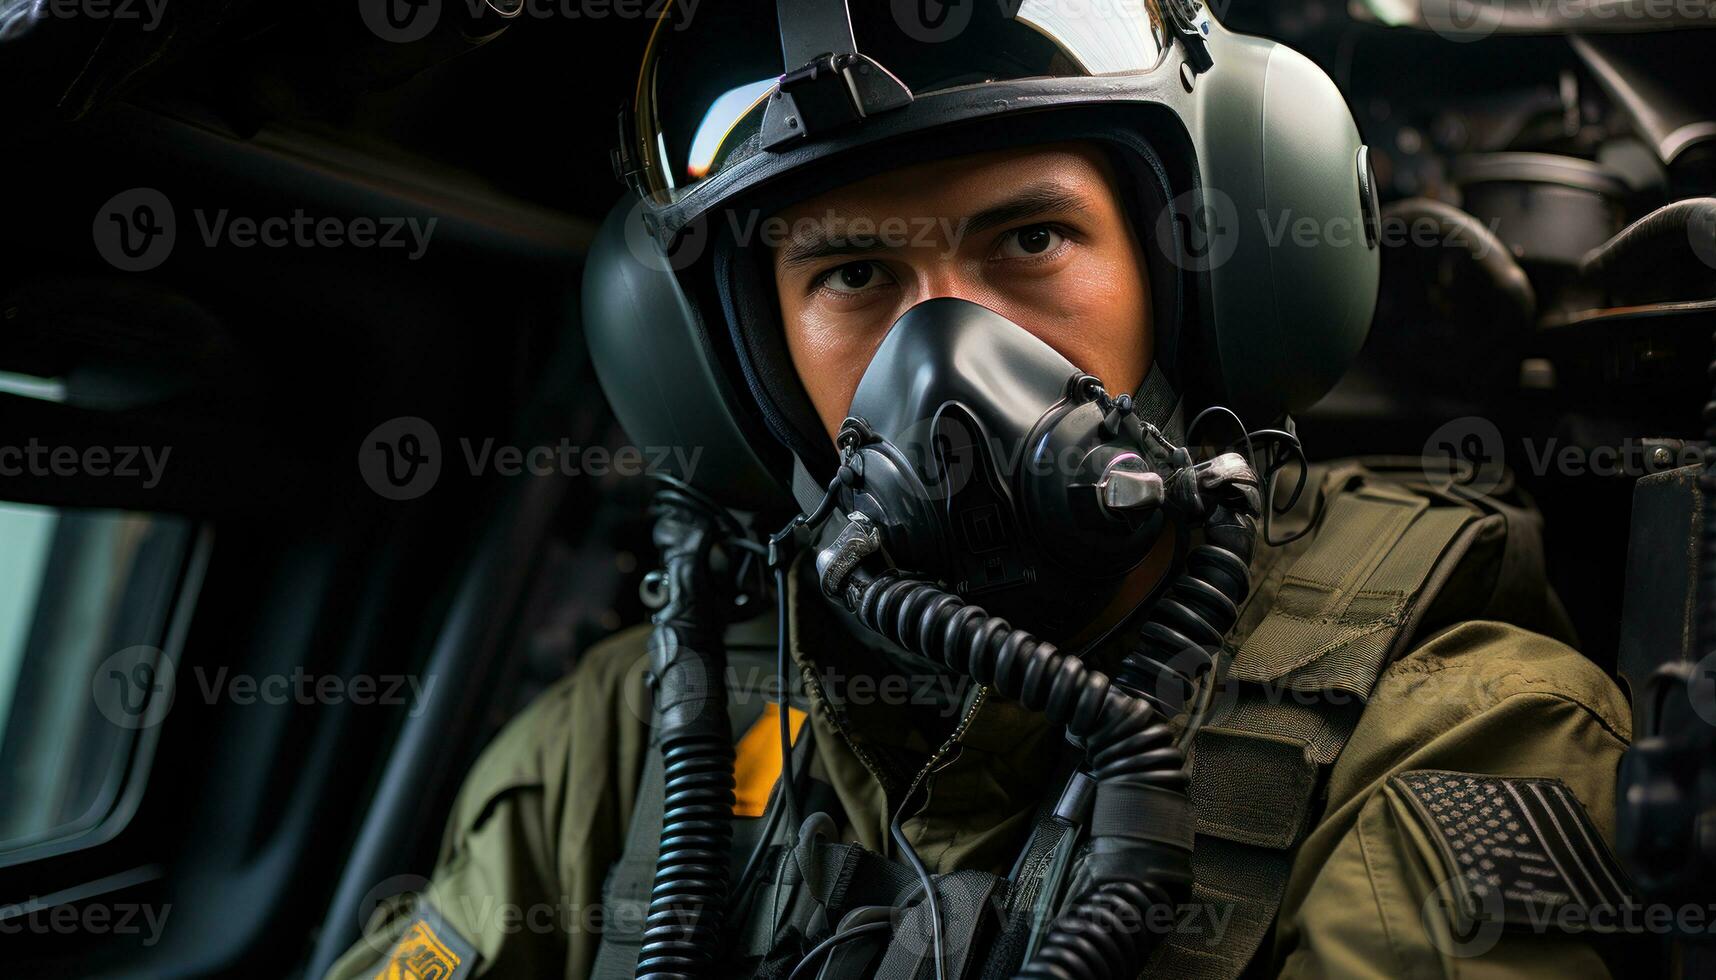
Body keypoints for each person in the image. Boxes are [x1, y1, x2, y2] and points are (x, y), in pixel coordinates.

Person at [326, 4, 1638, 978]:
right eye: (849, 275)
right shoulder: (621, 748)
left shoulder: (1448, 727)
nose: (947, 353)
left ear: (1196, 287)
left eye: (1029, 237)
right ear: (729, 372)